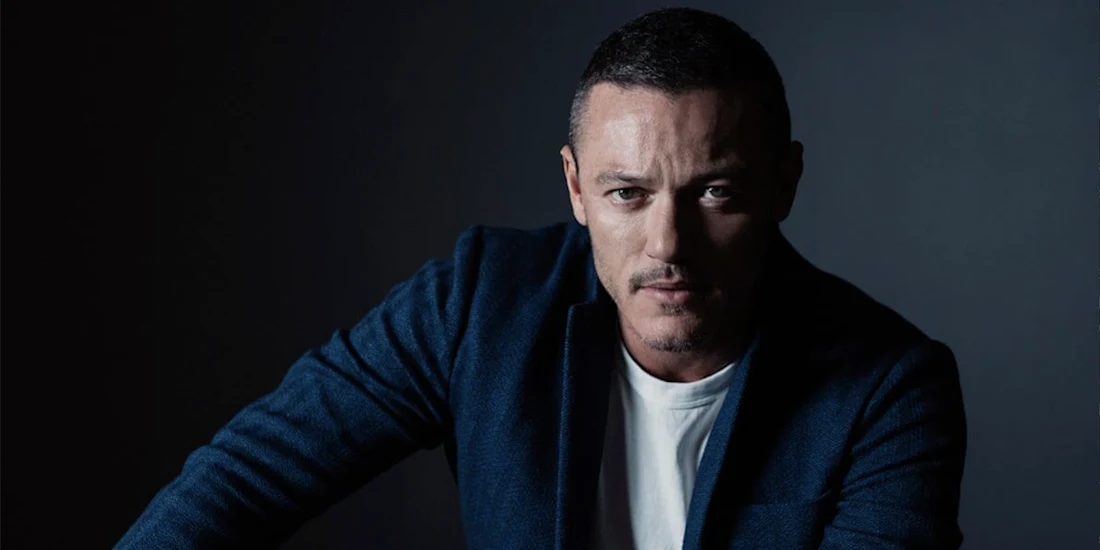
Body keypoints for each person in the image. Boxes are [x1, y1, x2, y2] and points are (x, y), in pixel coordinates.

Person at [117, 7, 967, 549]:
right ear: (576, 189)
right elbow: (244, 480)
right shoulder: (478, 303)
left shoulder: (889, 388)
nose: (668, 244)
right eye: (626, 193)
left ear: (784, 184)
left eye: (716, 193)